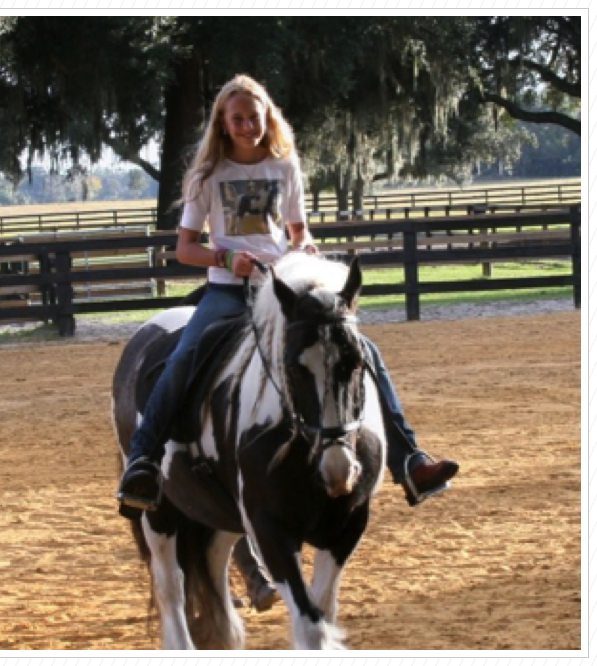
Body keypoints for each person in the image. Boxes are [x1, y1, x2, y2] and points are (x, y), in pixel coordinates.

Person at [117, 74, 459, 518]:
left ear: (266, 117)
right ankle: (143, 459)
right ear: (223, 123)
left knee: (362, 350)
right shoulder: (207, 176)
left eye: (253, 117)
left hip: (283, 291)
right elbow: (184, 248)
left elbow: (297, 232)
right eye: (236, 118)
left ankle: (410, 459)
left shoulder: (285, 166)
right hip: (227, 292)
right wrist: (223, 261)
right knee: (184, 357)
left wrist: (306, 248)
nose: (246, 125)